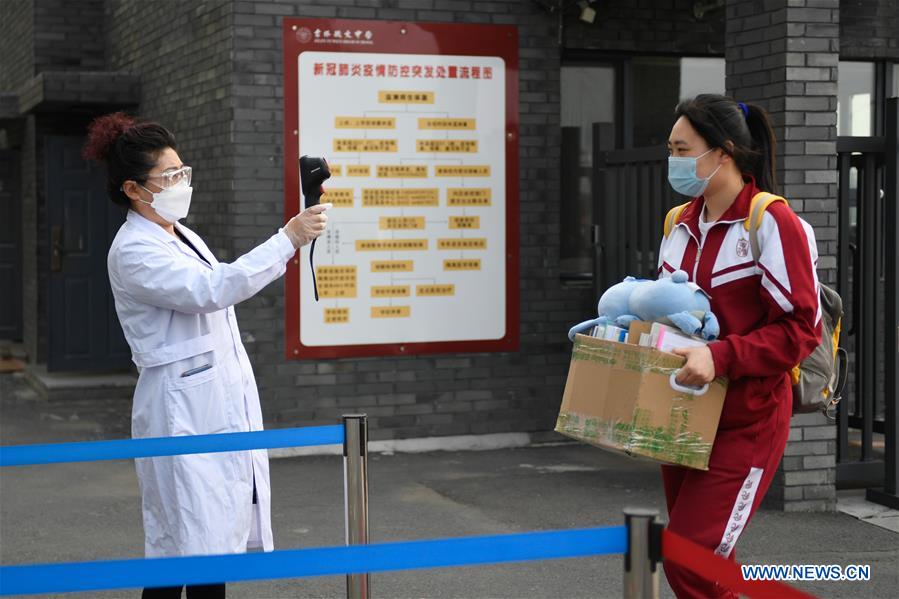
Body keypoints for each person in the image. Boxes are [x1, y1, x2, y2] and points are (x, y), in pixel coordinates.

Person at [82, 112, 330, 599]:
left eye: (182, 172)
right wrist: (288, 239)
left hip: (213, 402)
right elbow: (212, 289)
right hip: (180, 412)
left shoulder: (179, 233)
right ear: (133, 189)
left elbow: (218, 285)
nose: (181, 183)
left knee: (205, 544)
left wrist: (290, 241)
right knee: (183, 546)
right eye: (169, 176)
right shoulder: (133, 250)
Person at [658, 94, 821, 598]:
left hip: (747, 420)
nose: (672, 160)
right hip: (682, 414)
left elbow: (801, 330)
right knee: (706, 562)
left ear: (723, 152)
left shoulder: (771, 222)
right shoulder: (677, 224)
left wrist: (719, 355)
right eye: (670, 149)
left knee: (687, 558)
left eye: (682, 150)